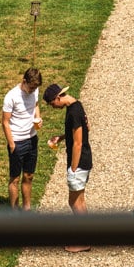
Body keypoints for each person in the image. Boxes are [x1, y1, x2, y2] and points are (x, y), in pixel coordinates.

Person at [44, 82, 93, 252]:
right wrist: (62, 137)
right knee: (80, 200)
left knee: (74, 202)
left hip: (79, 162)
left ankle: (84, 241)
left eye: (52, 104)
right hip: (84, 160)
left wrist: (73, 168)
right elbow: (86, 128)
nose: (53, 107)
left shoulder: (73, 112)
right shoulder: (77, 106)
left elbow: (78, 143)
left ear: (58, 97)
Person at [3, 67, 43, 210]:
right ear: (24, 81)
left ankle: (27, 209)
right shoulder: (11, 96)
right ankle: (15, 212)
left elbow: (36, 105)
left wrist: (38, 118)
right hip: (17, 141)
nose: (32, 91)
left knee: (29, 175)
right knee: (15, 178)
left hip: (32, 139)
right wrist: (12, 144)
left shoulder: (35, 90)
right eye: (31, 87)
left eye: (35, 88)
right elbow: (5, 122)